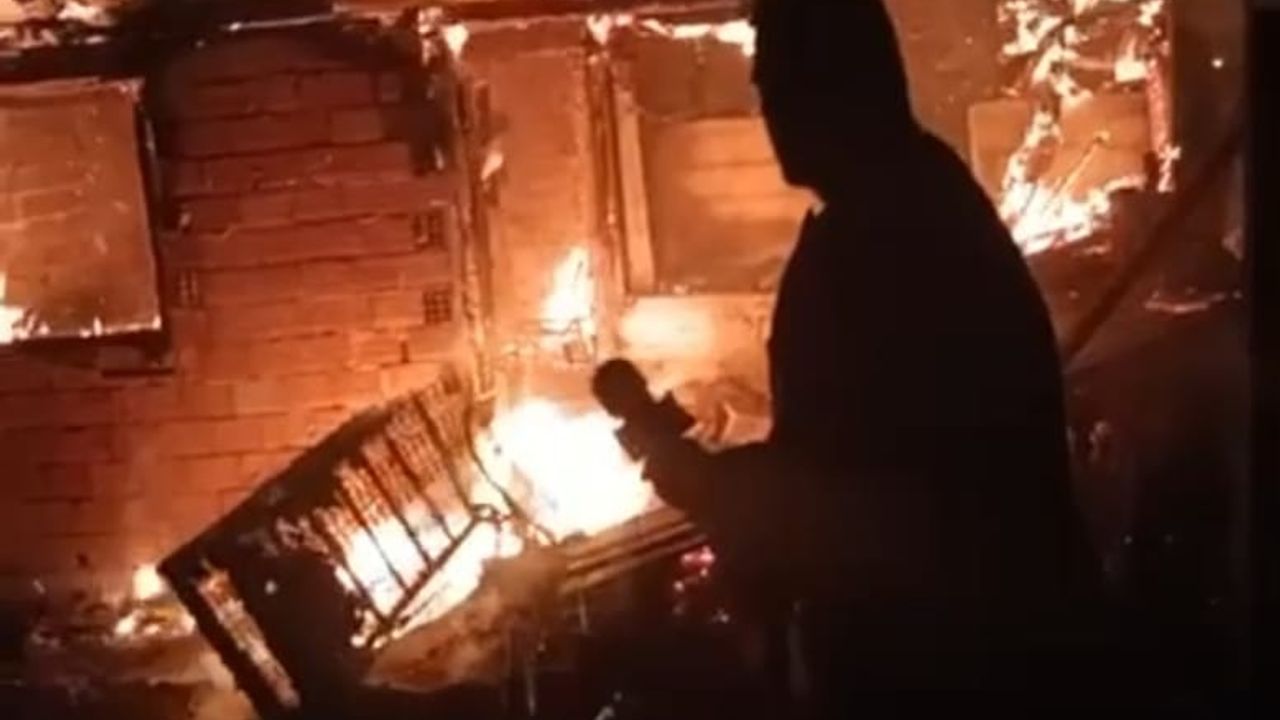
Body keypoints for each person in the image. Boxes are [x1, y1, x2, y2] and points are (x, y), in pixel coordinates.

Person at [594, 0, 1107, 714]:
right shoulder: (909, 201)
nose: (769, 107)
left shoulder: (887, 239)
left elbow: (852, 505)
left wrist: (707, 483)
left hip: (953, 668)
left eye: (782, 83)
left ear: (844, 83)